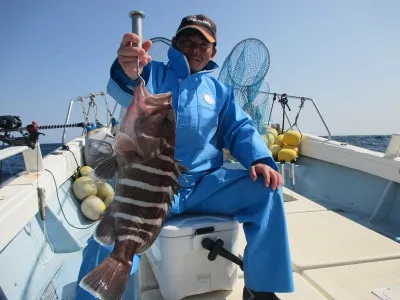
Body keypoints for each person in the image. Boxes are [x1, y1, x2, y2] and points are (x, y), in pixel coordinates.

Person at [76, 14, 294, 300]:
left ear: (213, 52)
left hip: (206, 186)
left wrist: (260, 158)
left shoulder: (220, 92)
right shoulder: (151, 73)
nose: (194, 48)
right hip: (154, 190)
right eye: (187, 40)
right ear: (175, 44)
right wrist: (127, 69)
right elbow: (127, 84)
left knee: (267, 191)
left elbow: (239, 128)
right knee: (109, 241)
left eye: (203, 44)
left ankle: (259, 289)